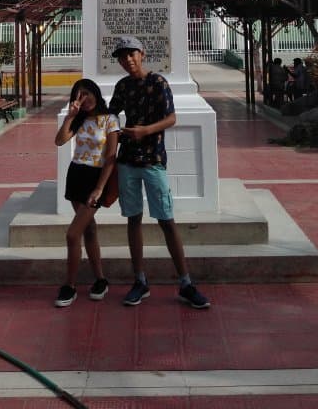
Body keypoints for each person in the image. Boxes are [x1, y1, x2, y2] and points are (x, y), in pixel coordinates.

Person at [108, 35, 210, 309]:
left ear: (142, 53)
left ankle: (186, 282)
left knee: (166, 219)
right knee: (133, 219)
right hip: (127, 160)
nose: (127, 60)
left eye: (131, 54)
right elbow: (109, 114)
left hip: (153, 159)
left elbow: (171, 117)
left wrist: (145, 131)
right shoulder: (122, 86)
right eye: (122, 56)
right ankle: (140, 281)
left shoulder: (158, 83)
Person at [54, 79, 120, 308]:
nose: (85, 99)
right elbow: (60, 141)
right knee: (89, 229)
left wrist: (100, 187)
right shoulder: (80, 118)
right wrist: (71, 115)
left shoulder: (110, 120)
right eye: (79, 96)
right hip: (76, 175)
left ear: (96, 93)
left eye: (87, 93)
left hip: (96, 178)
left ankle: (69, 285)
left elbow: (111, 156)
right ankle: (100, 279)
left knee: (73, 234)